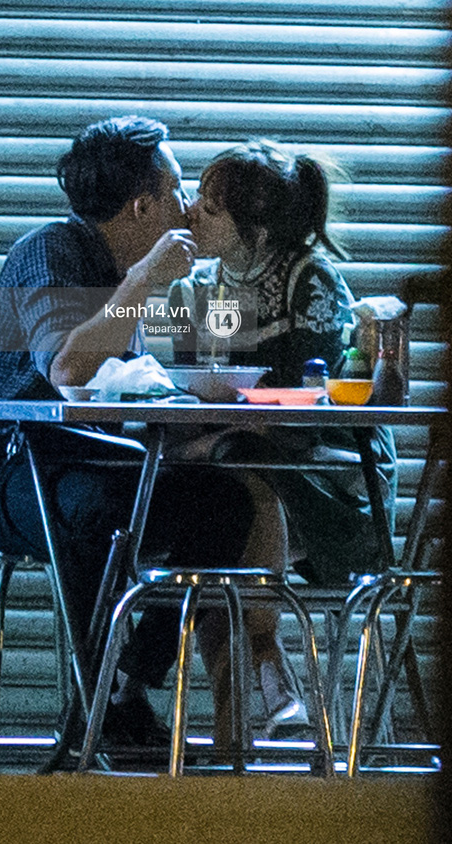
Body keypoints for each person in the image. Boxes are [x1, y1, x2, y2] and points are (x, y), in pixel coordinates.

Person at [0, 116, 255, 757]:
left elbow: (125, 390)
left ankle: (128, 685)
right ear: (143, 206)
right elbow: (70, 368)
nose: (186, 207)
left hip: (89, 462)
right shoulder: (51, 252)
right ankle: (97, 701)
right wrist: (144, 282)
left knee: (225, 506)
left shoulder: (125, 275)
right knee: (103, 509)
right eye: (176, 191)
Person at [169, 140, 398, 744]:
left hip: (331, 478)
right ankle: (262, 704)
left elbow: (305, 412)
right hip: (239, 460)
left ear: (260, 229)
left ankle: (243, 704)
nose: (189, 213)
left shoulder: (308, 281)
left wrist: (214, 435)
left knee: (237, 501)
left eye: (209, 208)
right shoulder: (203, 286)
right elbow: (203, 383)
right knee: (216, 508)